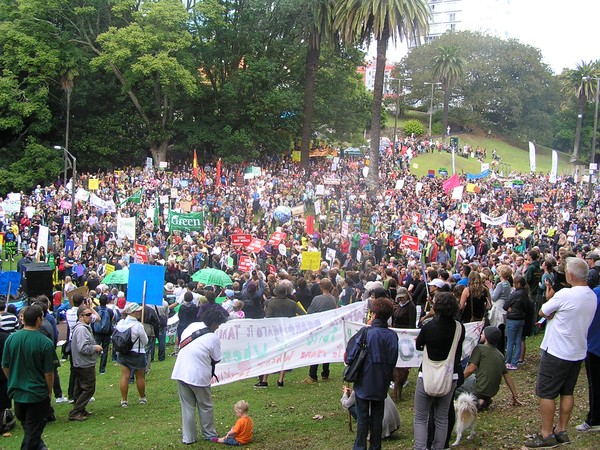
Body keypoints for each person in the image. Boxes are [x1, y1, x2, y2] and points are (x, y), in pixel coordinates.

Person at [525, 257, 597, 448]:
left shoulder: (566, 294)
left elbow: (543, 311)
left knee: (547, 393)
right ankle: (561, 430)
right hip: (577, 350)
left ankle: (546, 433)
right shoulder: (591, 295)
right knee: (567, 391)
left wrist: (551, 312)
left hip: (557, 350)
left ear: (570, 275)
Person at [1, 304, 59, 450]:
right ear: (39, 320)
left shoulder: (11, 339)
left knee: (31, 430)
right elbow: (49, 372)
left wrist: (13, 380)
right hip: (36, 394)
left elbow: (5, 366)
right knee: (32, 434)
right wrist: (49, 391)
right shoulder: (45, 343)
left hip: (18, 394)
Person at [345, 297, 399, 450]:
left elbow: (350, 357)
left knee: (363, 419)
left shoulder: (365, 333)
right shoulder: (392, 336)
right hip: (381, 383)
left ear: (373, 314)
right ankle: (375, 446)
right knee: (377, 419)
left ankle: (360, 446)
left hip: (364, 382)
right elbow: (393, 360)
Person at [414, 292, 465, 450]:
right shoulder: (459, 328)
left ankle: (420, 447)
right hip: (450, 375)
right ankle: (439, 447)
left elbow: (418, 345)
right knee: (442, 417)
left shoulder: (429, 326)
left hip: (427, 375)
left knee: (421, 417)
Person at [171, 307, 229, 445]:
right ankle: (209, 433)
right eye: (218, 324)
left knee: (187, 407)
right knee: (205, 405)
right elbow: (217, 358)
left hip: (181, 370)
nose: (218, 327)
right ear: (214, 323)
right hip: (198, 375)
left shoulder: (192, 326)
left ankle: (188, 438)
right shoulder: (212, 337)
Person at [460, 326, 522, 411]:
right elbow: (507, 376)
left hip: (479, 388)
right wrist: (514, 395)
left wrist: (458, 381)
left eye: (482, 333)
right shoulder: (500, 355)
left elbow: (470, 369)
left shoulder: (479, 348)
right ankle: (484, 400)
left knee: (459, 383)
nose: (481, 334)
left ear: (486, 338)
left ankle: (474, 400)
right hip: (491, 392)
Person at [255, 283, 305, 388]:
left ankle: (264, 380)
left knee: (270, 354)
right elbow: (303, 314)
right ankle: (280, 380)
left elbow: (268, 319)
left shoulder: (272, 304)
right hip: (288, 333)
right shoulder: (292, 303)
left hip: (274, 333)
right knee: (284, 355)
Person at [69, 305, 102, 421]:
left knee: (79, 387)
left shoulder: (82, 328)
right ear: (81, 317)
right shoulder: (82, 330)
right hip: (85, 363)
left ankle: (80, 409)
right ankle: (76, 411)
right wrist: (95, 348)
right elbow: (83, 348)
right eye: (88, 315)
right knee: (89, 388)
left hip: (81, 362)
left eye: (90, 314)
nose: (90, 316)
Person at [303, 278, 337, 384]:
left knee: (316, 350)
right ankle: (325, 373)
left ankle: (313, 374)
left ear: (321, 287)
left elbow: (310, 312)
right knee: (326, 350)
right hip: (329, 328)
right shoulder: (332, 299)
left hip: (319, 328)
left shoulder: (317, 299)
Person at [115, 303, 148, 408]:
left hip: (123, 352)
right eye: (138, 311)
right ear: (133, 313)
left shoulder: (120, 323)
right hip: (137, 352)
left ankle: (124, 400)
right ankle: (142, 397)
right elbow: (145, 341)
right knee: (140, 376)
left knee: (125, 376)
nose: (140, 312)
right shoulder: (138, 326)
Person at [576, 283, 600, 432]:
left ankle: (595, 419)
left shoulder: (595, 294)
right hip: (594, 343)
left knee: (596, 384)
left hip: (595, 346)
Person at [503, 276, 530, 370]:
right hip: (521, 319)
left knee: (510, 341)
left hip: (513, 319)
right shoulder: (526, 294)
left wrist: (509, 308)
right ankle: (515, 362)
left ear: (518, 284)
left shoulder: (515, 294)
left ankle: (508, 361)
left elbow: (505, 305)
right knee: (518, 341)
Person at [93, 294, 115, 374]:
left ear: (99, 301)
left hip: (96, 333)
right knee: (105, 351)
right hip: (106, 333)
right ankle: (102, 369)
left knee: (95, 350)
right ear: (107, 302)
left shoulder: (95, 309)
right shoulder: (110, 311)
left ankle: (93, 366)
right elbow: (111, 322)